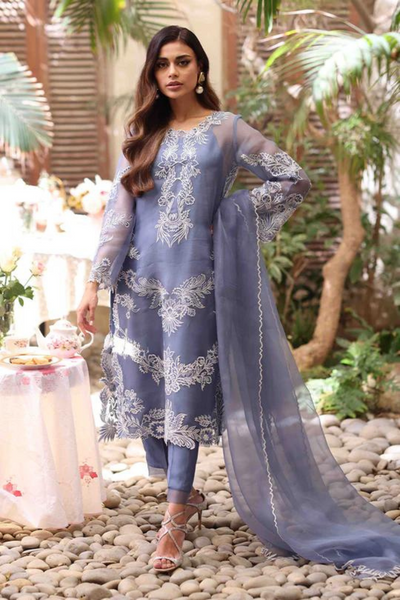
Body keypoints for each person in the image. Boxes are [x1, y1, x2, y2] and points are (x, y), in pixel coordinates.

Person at [77, 25, 400, 579]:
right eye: (162, 64)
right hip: (138, 282)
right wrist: (94, 282)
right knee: (146, 388)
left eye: (182, 61)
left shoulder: (226, 129)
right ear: (152, 73)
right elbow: (119, 213)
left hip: (195, 283)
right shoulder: (143, 132)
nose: (172, 72)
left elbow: (292, 178)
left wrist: (231, 216)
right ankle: (182, 494)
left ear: (200, 69)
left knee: (183, 392)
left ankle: (173, 517)